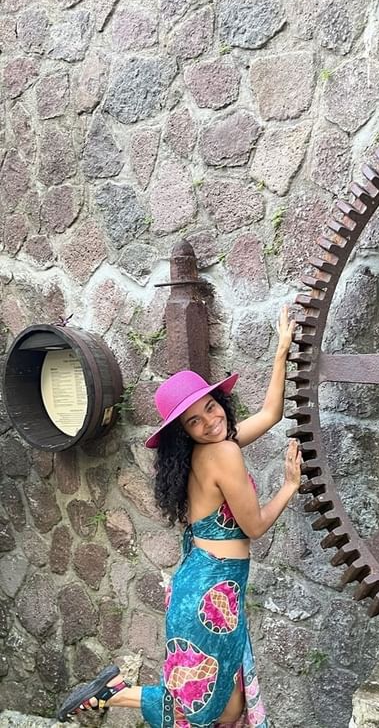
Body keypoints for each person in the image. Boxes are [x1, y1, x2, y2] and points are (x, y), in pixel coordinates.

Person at [57, 308, 302, 727]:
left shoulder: (209, 450)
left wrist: (281, 351)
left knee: (219, 705)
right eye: (195, 421)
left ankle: (111, 695)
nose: (210, 422)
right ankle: (113, 696)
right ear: (183, 431)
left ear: (219, 401)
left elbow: (270, 414)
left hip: (205, 587)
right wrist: (288, 486)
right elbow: (256, 527)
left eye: (211, 408)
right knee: (206, 706)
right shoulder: (221, 452)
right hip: (212, 594)